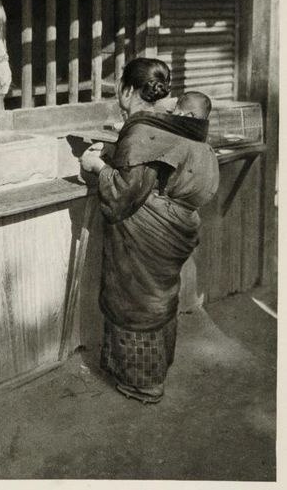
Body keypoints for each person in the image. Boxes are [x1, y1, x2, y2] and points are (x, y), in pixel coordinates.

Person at [80, 58, 219, 404]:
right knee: (159, 298)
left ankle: (142, 384)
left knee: (136, 301)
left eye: (119, 88)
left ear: (127, 90)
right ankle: (152, 373)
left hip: (147, 230)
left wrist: (97, 166)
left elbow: (125, 192)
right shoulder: (176, 122)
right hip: (175, 224)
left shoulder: (142, 130)